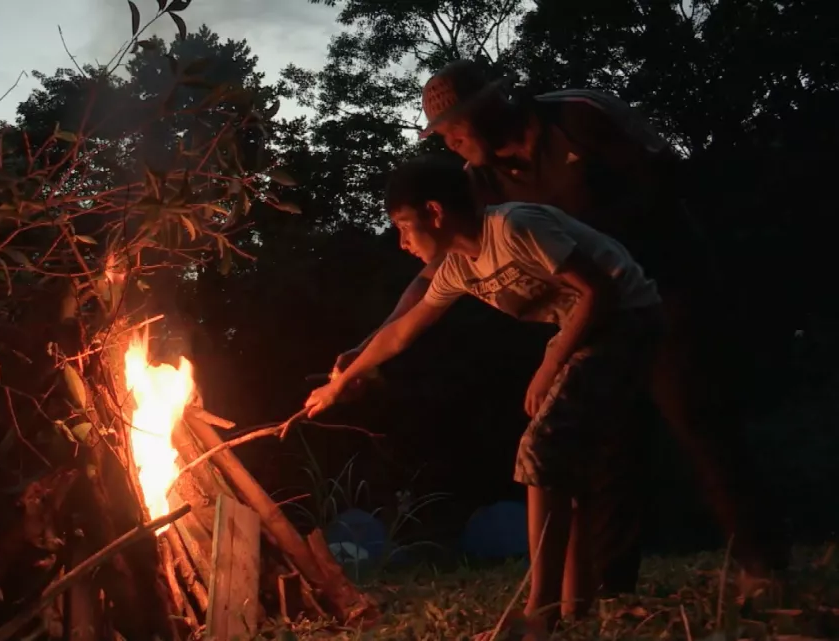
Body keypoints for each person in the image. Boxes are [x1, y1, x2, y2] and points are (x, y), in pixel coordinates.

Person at [333, 59, 789, 597]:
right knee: (605, 449)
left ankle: (762, 567)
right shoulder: (478, 184)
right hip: (588, 318)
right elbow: (437, 277)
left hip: (661, 295)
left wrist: (604, 250)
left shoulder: (578, 117)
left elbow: (666, 178)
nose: (451, 140)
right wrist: (366, 349)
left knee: (698, 419)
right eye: (441, 134)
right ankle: (610, 590)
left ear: (494, 102)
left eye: (457, 124)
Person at [307, 153, 664, 630]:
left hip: (627, 318)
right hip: (584, 334)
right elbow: (400, 333)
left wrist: (551, 362)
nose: (402, 241)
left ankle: (540, 612)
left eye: (403, 225)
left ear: (435, 212)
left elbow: (598, 291)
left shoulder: (514, 226)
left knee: (540, 449)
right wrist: (341, 382)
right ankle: (573, 607)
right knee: (565, 468)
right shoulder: (458, 269)